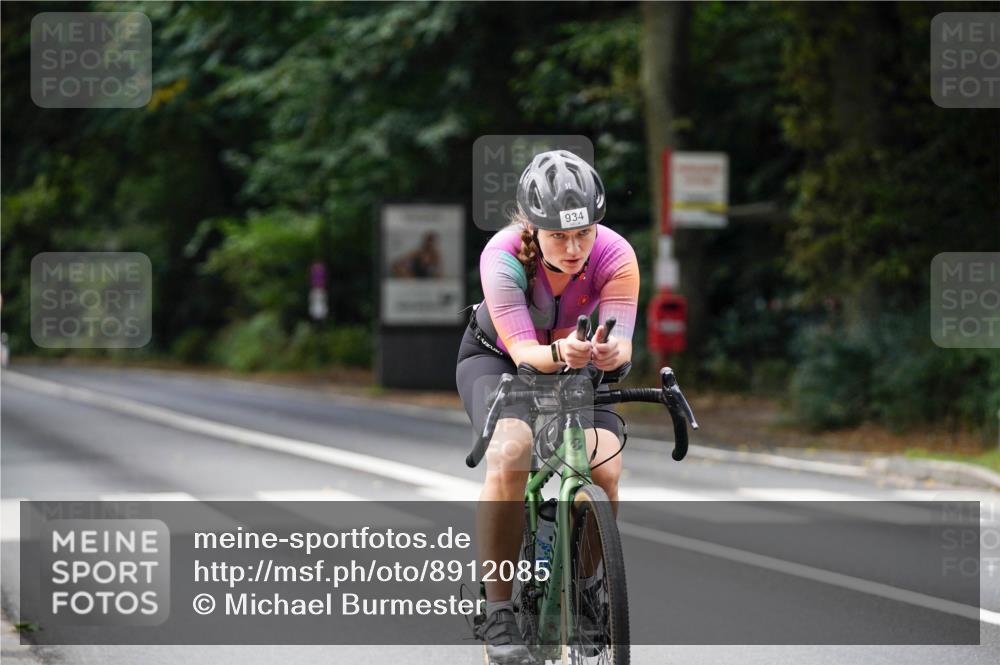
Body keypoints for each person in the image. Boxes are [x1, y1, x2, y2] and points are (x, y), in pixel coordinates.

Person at [455, 150, 640, 664]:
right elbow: (525, 352)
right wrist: (560, 352)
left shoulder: (616, 254)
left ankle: (583, 593)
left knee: (604, 466)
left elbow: (623, 340)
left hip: (580, 367)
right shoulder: (503, 254)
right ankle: (498, 610)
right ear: (532, 227)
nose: (575, 247)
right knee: (513, 451)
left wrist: (609, 352)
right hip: (501, 362)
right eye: (559, 235)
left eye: (584, 233)